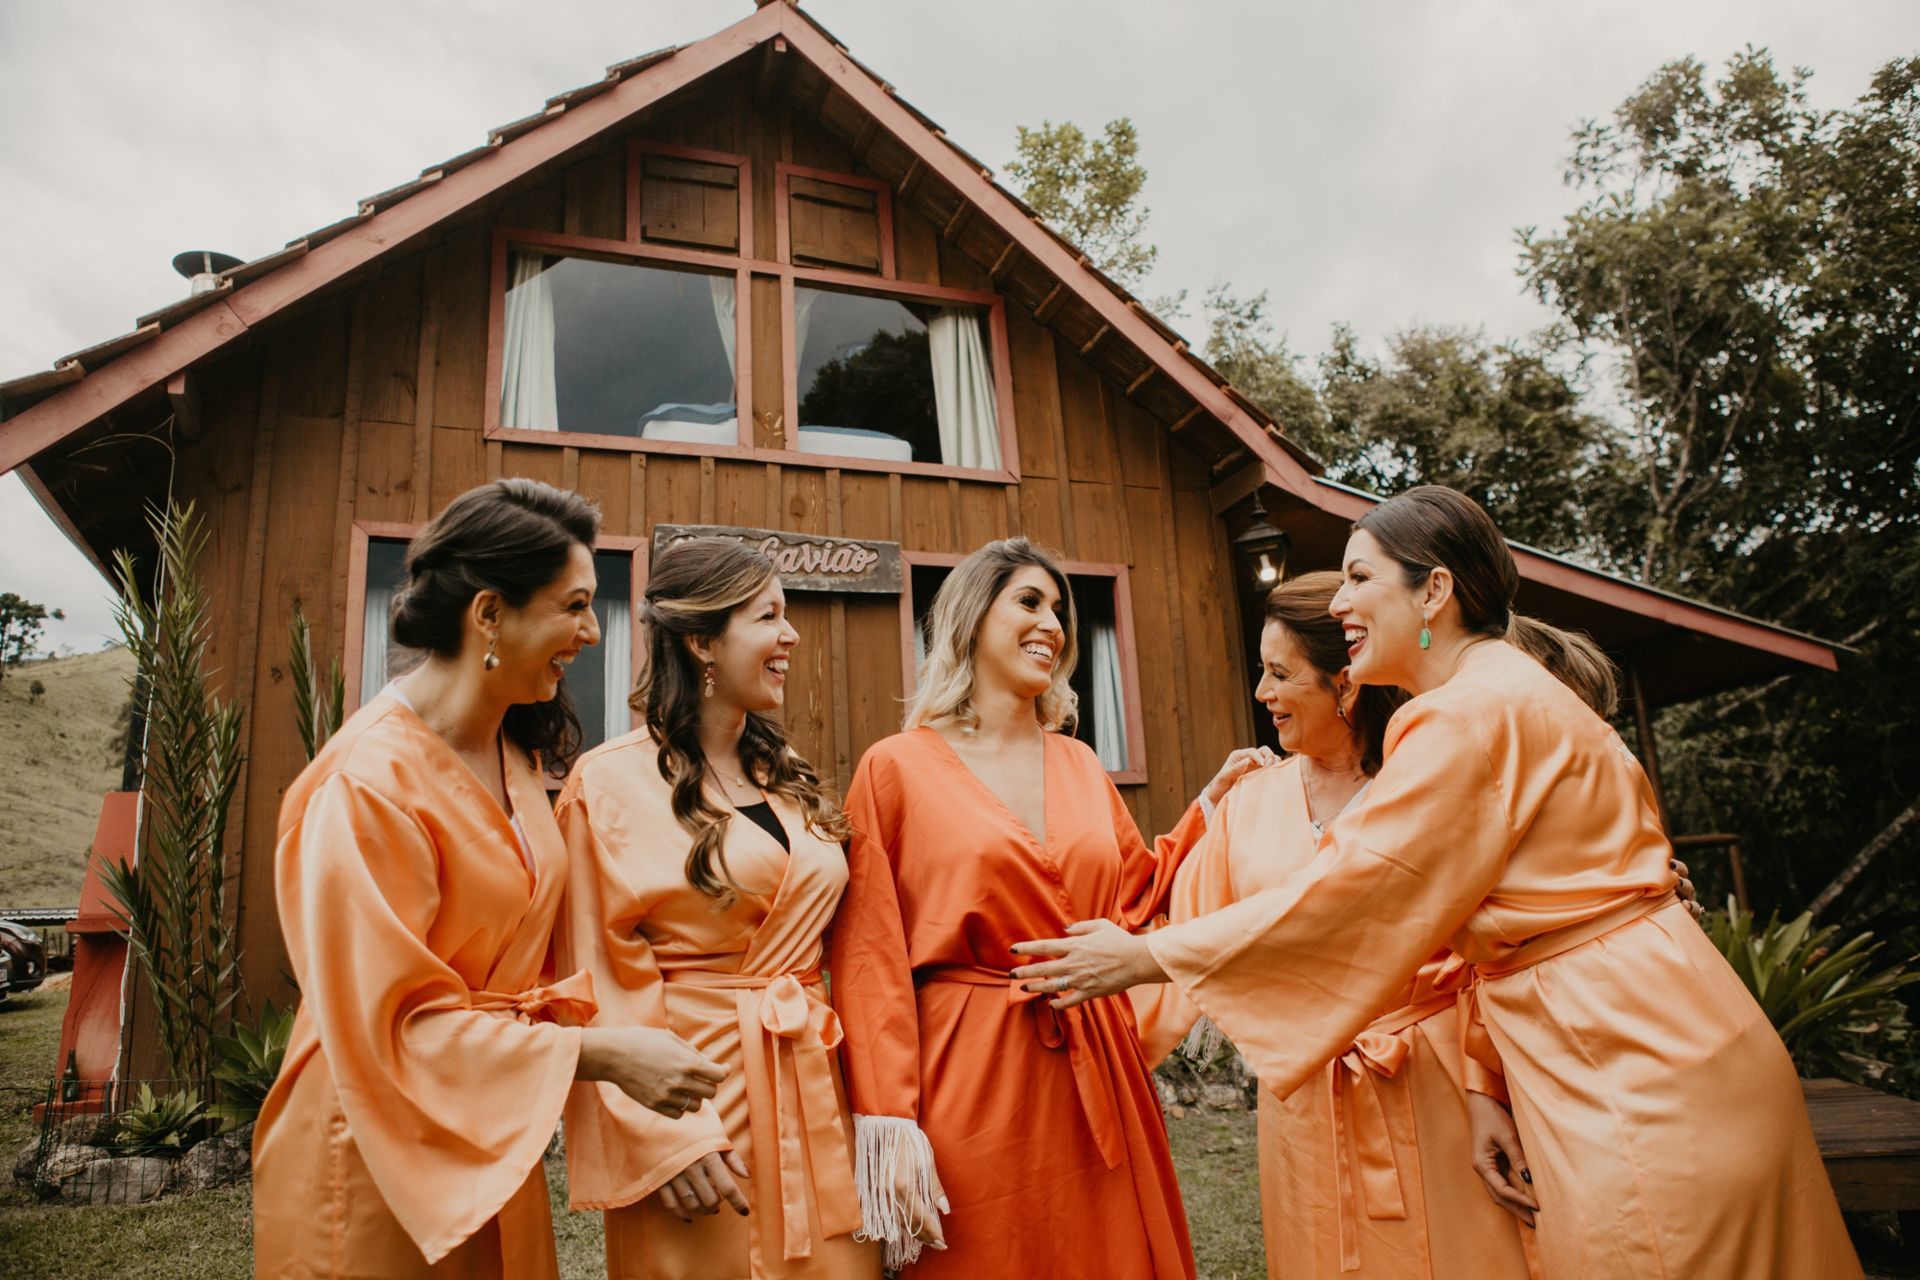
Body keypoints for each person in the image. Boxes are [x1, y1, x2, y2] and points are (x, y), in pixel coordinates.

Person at [1013, 486, 1862, 1279]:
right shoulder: (1509, 693)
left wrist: (1146, 956)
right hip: (1648, 1024)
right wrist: (1487, 1083)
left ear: (1434, 593)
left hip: (1628, 1056)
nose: (1339, 602)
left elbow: (1358, 888)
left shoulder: (1464, 715)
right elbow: (1513, 927)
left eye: (1357, 577)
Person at [255, 479, 729, 1279]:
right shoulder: (365, 785)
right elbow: (394, 1026)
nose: (590, 631)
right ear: (488, 615)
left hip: (485, 1132)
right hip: (374, 1148)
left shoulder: (513, 751)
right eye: (574, 606)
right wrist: (598, 1054)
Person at [826, 537, 1263, 1278]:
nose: (1052, 624)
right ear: (971, 620)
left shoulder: (1078, 761)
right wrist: (891, 1121)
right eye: (1028, 601)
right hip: (971, 1067)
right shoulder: (895, 767)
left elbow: (1135, 894)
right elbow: (870, 955)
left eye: (1059, 609)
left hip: (1097, 1061)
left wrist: (1209, 810)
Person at [1129, 571, 1535, 1279]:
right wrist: (1083, 1053)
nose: (1262, 694)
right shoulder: (1252, 803)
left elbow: (1499, 947)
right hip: (1305, 1103)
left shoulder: (1432, 782)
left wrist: (1483, 1085)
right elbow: (1175, 938)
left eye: (1280, 674)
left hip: (1435, 1087)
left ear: (1345, 685)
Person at [558, 537, 880, 1279]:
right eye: (768, 616)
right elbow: (596, 979)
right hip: (692, 1099)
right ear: (701, 640)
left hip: (810, 1088)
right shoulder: (606, 786)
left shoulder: (784, 777)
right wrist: (666, 1138)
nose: (790, 636)